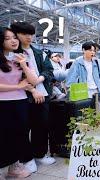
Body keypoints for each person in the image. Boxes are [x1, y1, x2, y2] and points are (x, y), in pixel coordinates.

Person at [11, 22, 55, 173]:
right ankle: (26, 158)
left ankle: (39, 154)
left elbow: (49, 70)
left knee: (42, 125)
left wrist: (40, 80)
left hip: (44, 93)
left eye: (31, 34)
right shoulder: (12, 54)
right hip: (23, 96)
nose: (29, 37)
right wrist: (33, 89)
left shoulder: (39, 52)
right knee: (23, 128)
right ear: (16, 35)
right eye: (24, 34)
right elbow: (14, 77)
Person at [0, 27, 43, 179]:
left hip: (20, 102)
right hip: (3, 103)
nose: (13, 40)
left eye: (14, 37)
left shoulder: (19, 58)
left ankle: (14, 166)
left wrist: (24, 64)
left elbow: (33, 80)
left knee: (20, 134)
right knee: (4, 135)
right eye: (7, 38)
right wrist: (17, 86)